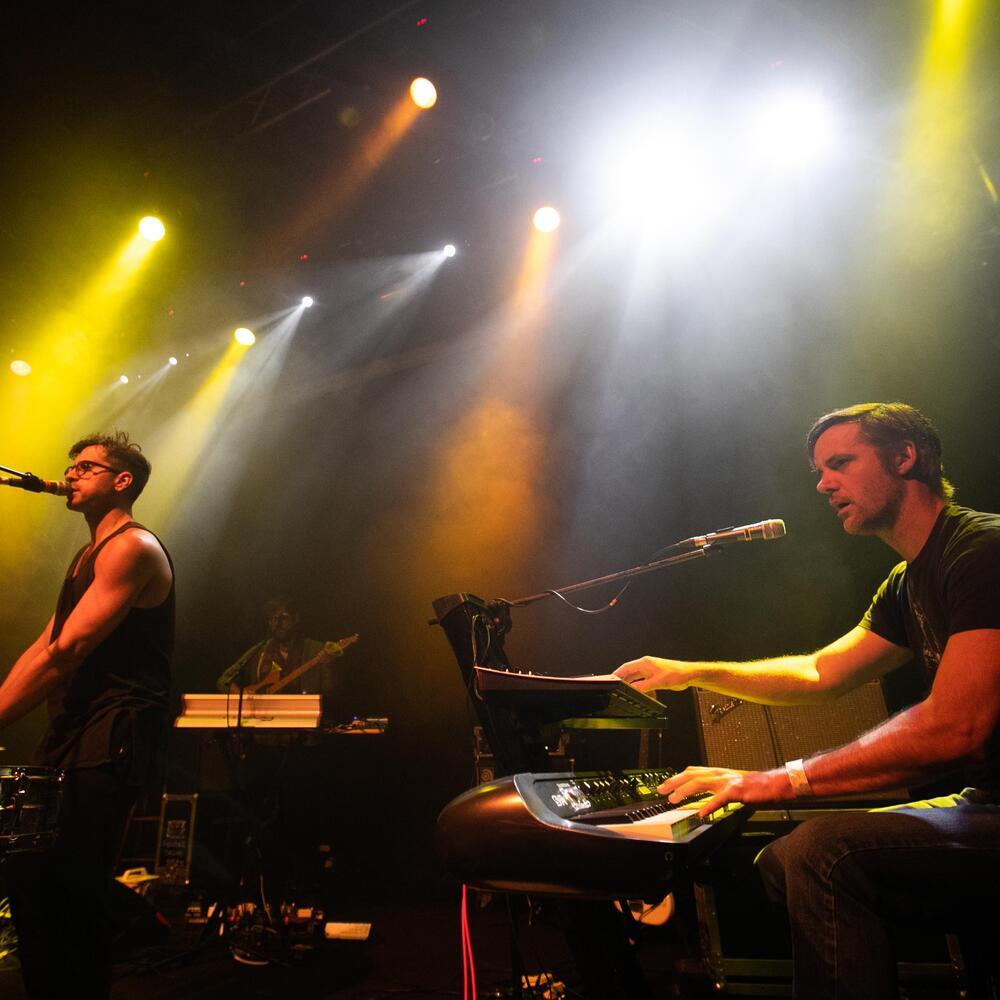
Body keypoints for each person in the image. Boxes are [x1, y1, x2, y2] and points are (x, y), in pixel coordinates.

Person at [615, 403, 1000, 999]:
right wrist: (689, 673)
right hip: (987, 802)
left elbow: (955, 726)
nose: (823, 485)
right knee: (782, 859)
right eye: (820, 471)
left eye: (840, 463)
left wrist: (779, 780)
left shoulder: (981, 551)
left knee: (820, 854)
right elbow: (822, 671)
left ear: (905, 457)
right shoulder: (907, 583)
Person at [0, 431, 174, 998]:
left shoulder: (132, 547)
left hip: (113, 729)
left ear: (122, 481)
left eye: (86, 467)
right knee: (32, 877)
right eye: (71, 466)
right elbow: (46, 643)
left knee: (74, 885)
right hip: (76, 727)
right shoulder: (87, 555)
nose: (71, 474)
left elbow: (67, 653)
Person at [215, 595, 343, 695]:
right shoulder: (259, 651)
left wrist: (328, 665)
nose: (278, 623)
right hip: (264, 718)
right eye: (273, 619)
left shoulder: (315, 649)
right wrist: (241, 694)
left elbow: (331, 692)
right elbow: (224, 681)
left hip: (302, 717)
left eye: (284, 618)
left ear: (295, 619)